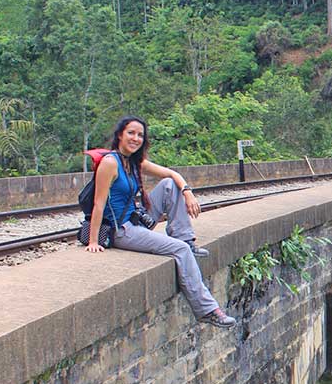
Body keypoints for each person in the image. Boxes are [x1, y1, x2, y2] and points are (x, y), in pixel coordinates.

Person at [84, 116, 237, 328]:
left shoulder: (134, 162)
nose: (135, 138)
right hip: (122, 230)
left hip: (135, 218)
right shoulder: (110, 163)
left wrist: (187, 191)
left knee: (168, 185)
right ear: (120, 135)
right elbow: (98, 204)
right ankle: (208, 310)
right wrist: (93, 241)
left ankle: (186, 239)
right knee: (180, 250)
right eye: (131, 133)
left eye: (140, 135)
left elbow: (172, 174)